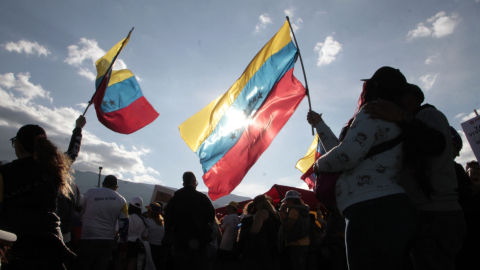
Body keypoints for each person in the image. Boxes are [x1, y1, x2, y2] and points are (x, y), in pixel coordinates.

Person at [308, 67, 418, 270]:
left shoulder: (373, 110)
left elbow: (346, 156)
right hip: (378, 208)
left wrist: (318, 165)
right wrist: (320, 124)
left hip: (373, 209)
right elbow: (343, 151)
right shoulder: (389, 114)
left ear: (373, 86)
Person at [363, 83, 467, 270]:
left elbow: (435, 143)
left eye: (397, 99)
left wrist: (402, 117)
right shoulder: (411, 122)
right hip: (426, 216)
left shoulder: (427, 115)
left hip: (436, 215)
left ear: (409, 100)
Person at [0, 122, 81, 269]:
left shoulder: (4, 173)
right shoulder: (54, 170)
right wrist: (78, 129)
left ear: (18, 144)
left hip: (14, 247)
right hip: (50, 245)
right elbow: (72, 153)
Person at [75, 175, 129, 270]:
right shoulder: (122, 200)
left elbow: (79, 213)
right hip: (107, 241)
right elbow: (124, 225)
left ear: (103, 184)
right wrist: (123, 243)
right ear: (116, 187)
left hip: (87, 238)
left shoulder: (90, 192)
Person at [163, 171, 215, 270]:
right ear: (193, 181)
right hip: (199, 243)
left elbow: (168, 221)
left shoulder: (174, 199)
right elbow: (211, 216)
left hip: (180, 242)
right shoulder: (202, 198)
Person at [279, 190, 310, 270]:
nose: (286, 202)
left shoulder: (293, 210)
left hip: (295, 243)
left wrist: (281, 219)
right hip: (305, 242)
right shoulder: (304, 210)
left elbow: (289, 227)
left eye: (288, 200)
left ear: (292, 200)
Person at [144, 202, 165, 270]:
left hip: (148, 247)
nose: (147, 211)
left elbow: (144, 236)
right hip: (159, 249)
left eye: (149, 210)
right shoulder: (162, 224)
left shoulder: (147, 221)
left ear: (151, 212)